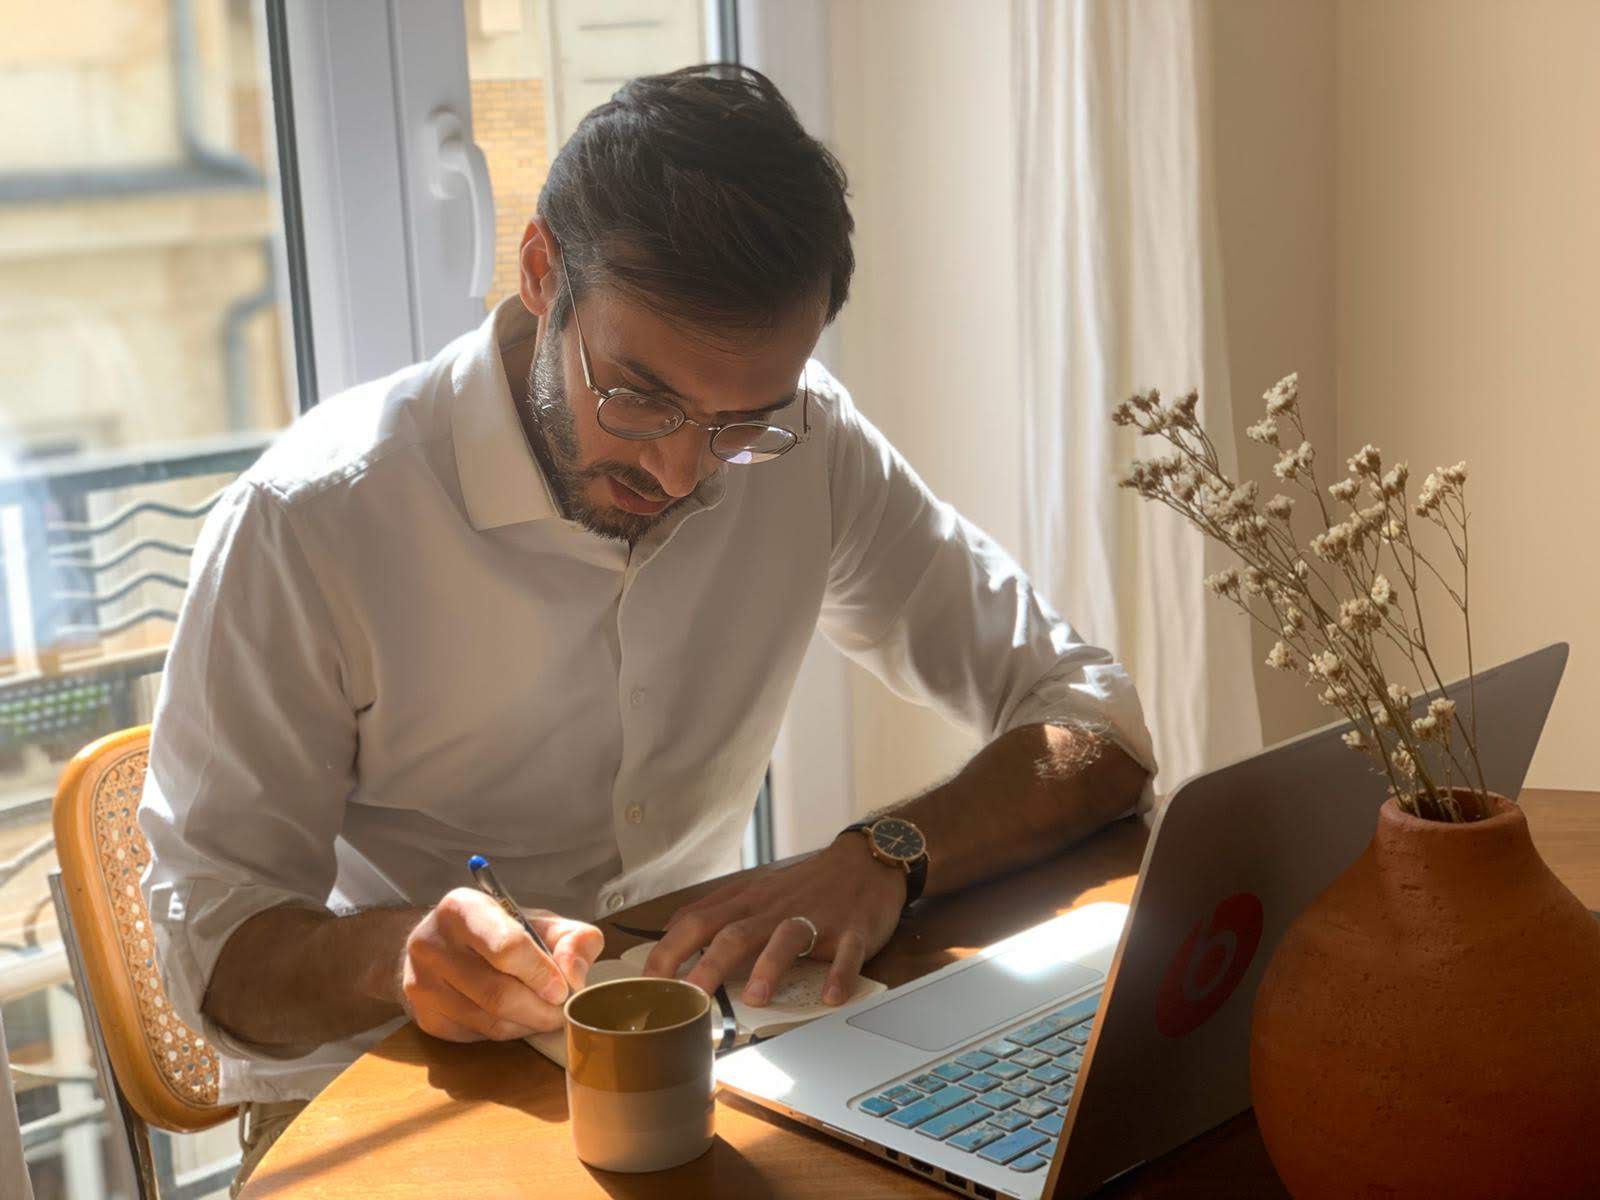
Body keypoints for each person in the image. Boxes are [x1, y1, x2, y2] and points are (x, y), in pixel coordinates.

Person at [139, 63, 1154, 1188]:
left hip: (712, 1061)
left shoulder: (808, 447)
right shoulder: (311, 522)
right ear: (538, 275)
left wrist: (885, 855)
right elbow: (215, 961)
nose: (680, 467)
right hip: (393, 1100)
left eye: (741, 422)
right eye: (638, 396)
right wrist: (399, 956)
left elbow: (1092, 720)